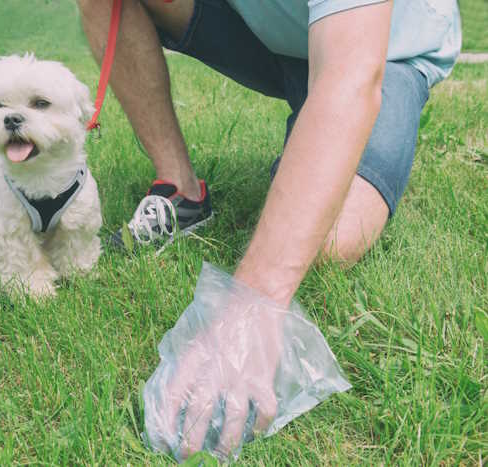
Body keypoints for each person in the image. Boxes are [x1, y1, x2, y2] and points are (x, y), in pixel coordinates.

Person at [77, 0, 461, 459]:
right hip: (275, 37)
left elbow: (348, 76)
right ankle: (181, 190)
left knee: (332, 239)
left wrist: (251, 305)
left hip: (382, 50)